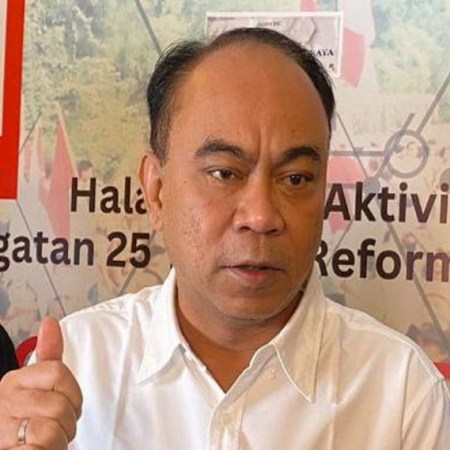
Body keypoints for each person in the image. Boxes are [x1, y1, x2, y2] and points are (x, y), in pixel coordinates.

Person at [0, 27, 449, 450]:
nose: (261, 216)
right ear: (157, 190)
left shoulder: (403, 393)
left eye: (295, 178)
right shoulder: (77, 362)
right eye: (224, 173)